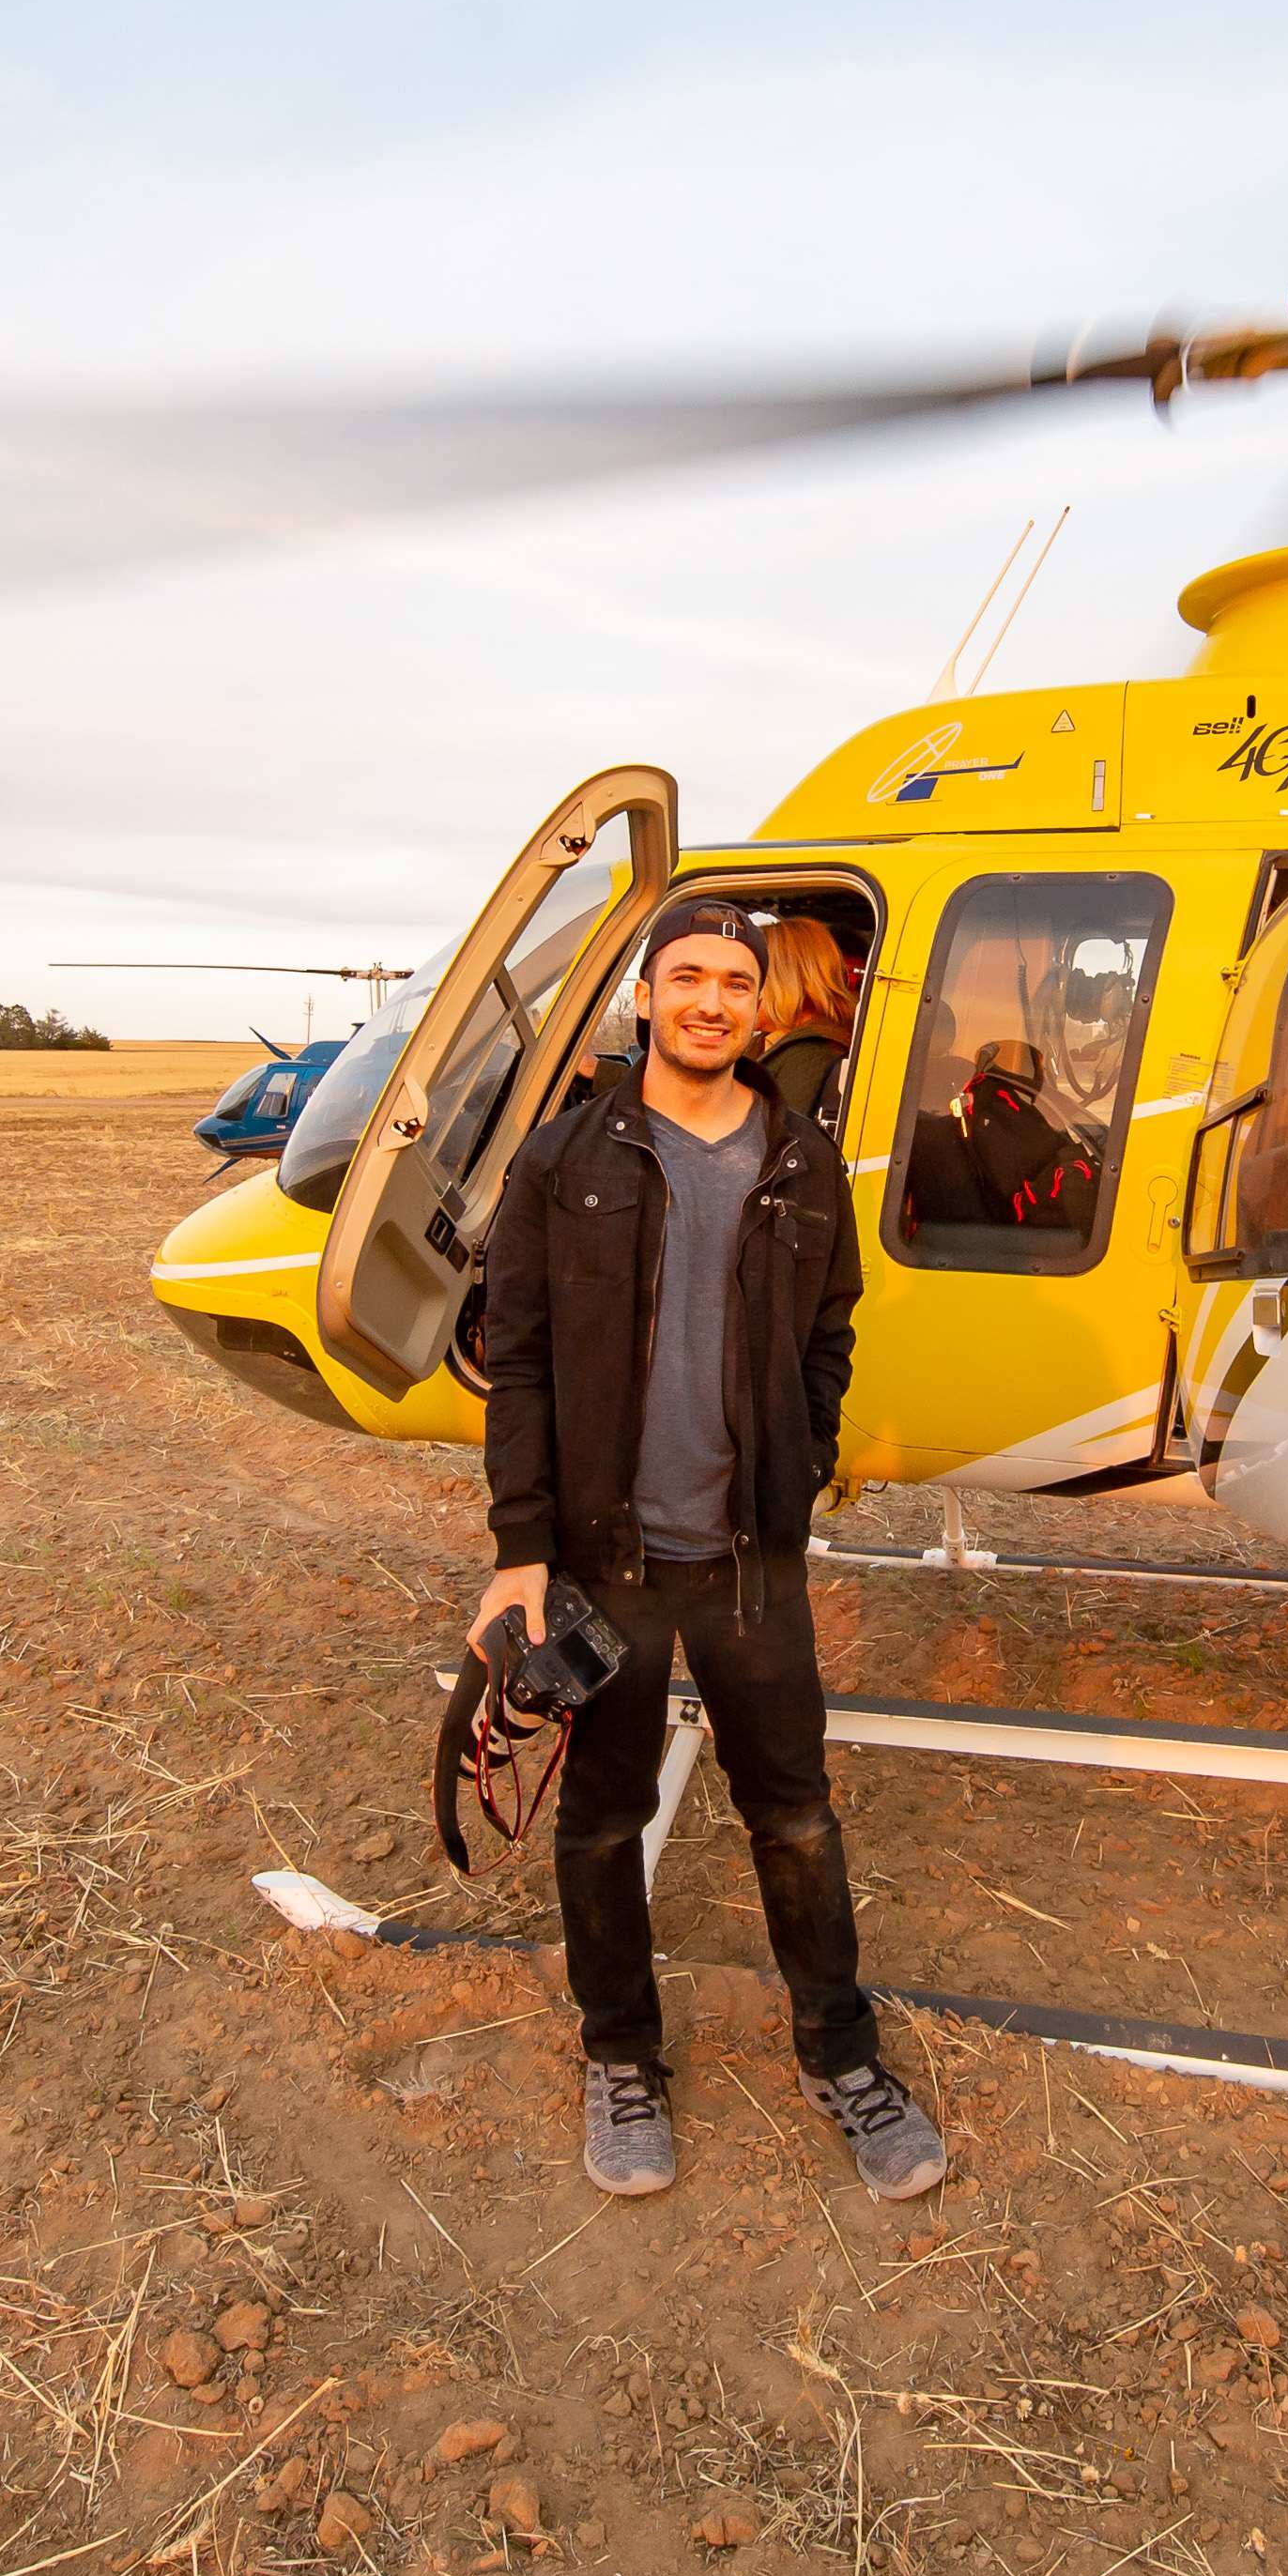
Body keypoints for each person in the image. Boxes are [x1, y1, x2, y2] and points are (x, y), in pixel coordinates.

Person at [477, 894, 948, 2204]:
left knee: (793, 1811)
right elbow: (513, 1359)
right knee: (604, 1815)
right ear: (645, 992)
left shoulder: (800, 1160)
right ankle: (621, 2052)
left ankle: (839, 2052)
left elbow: (827, 1331)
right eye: (686, 975)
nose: (710, 1000)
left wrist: (798, 1456)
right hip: (604, 1554)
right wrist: (522, 1546)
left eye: (734, 981)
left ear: (760, 1006)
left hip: (751, 1558)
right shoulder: (562, 1157)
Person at [752, 915, 860, 1142]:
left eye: (749, 978)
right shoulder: (763, 1041)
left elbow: (774, 1148)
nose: (738, 992)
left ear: (784, 981)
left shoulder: (812, 1055)